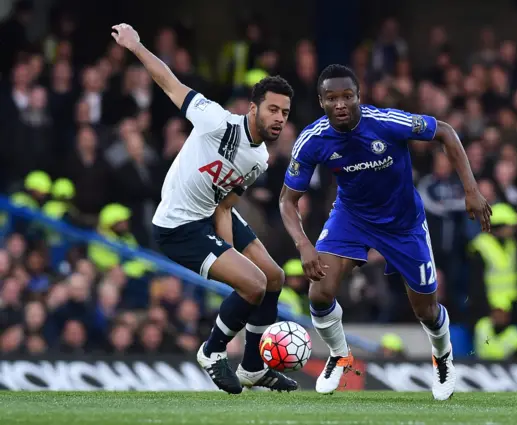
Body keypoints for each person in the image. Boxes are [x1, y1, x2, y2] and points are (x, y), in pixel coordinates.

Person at [279, 64, 492, 399]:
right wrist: (303, 244)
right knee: (319, 292)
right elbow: (286, 201)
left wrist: (471, 191)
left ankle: (442, 357)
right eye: (332, 98)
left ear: (359, 96)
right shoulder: (313, 140)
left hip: (403, 223)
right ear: (321, 101)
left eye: (347, 96)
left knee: (426, 309)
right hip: (351, 217)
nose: (341, 104)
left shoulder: (386, 123)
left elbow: (446, 132)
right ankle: (338, 354)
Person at [111, 23, 297, 394]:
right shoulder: (216, 121)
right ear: (253, 107)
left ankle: (252, 367)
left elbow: (226, 204)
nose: (279, 118)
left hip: (211, 212)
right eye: (273, 109)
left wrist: (228, 256)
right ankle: (212, 352)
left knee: (271, 278)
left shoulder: (259, 158)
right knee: (254, 284)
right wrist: (136, 46)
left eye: (285, 113)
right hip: (178, 225)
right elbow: (169, 83)